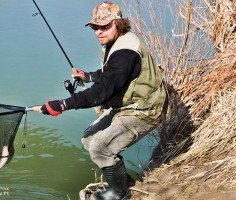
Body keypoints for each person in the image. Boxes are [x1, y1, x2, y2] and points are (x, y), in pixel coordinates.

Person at [33, 1, 170, 199]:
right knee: (89, 139)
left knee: (100, 148)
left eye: (105, 26)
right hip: (127, 107)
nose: (98, 32)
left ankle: (120, 193)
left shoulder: (126, 52)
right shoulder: (115, 42)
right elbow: (111, 74)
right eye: (95, 27)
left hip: (145, 110)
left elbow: (101, 92)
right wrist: (88, 76)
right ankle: (123, 181)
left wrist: (61, 105)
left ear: (119, 24)